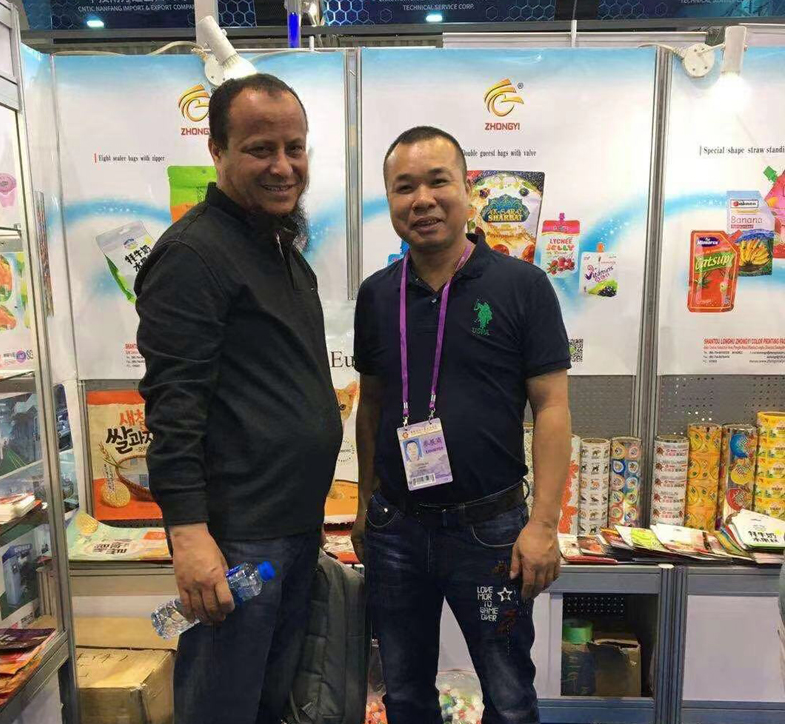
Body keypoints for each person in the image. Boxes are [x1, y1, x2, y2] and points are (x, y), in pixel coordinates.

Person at [135, 74, 342, 724]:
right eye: (260, 149)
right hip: (236, 542)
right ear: (217, 151)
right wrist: (190, 538)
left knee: (268, 705)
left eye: (295, 147)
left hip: (291, 530)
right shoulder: (194, 255)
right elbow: (174, 409)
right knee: (223, 707)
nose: (283, 166)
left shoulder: (277, 246)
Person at [351, 126, 572, 724]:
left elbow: (552, 408)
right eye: (404, 187)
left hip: (491, 533)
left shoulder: (521, 285)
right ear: (390, 200)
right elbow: (371, 405)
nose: (422, 199)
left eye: (437, 181)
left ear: (467, 189)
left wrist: (543, 524)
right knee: (403, 692)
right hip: (396, 528)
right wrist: (366, 504)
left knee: (509, 695)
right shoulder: (377, 295)